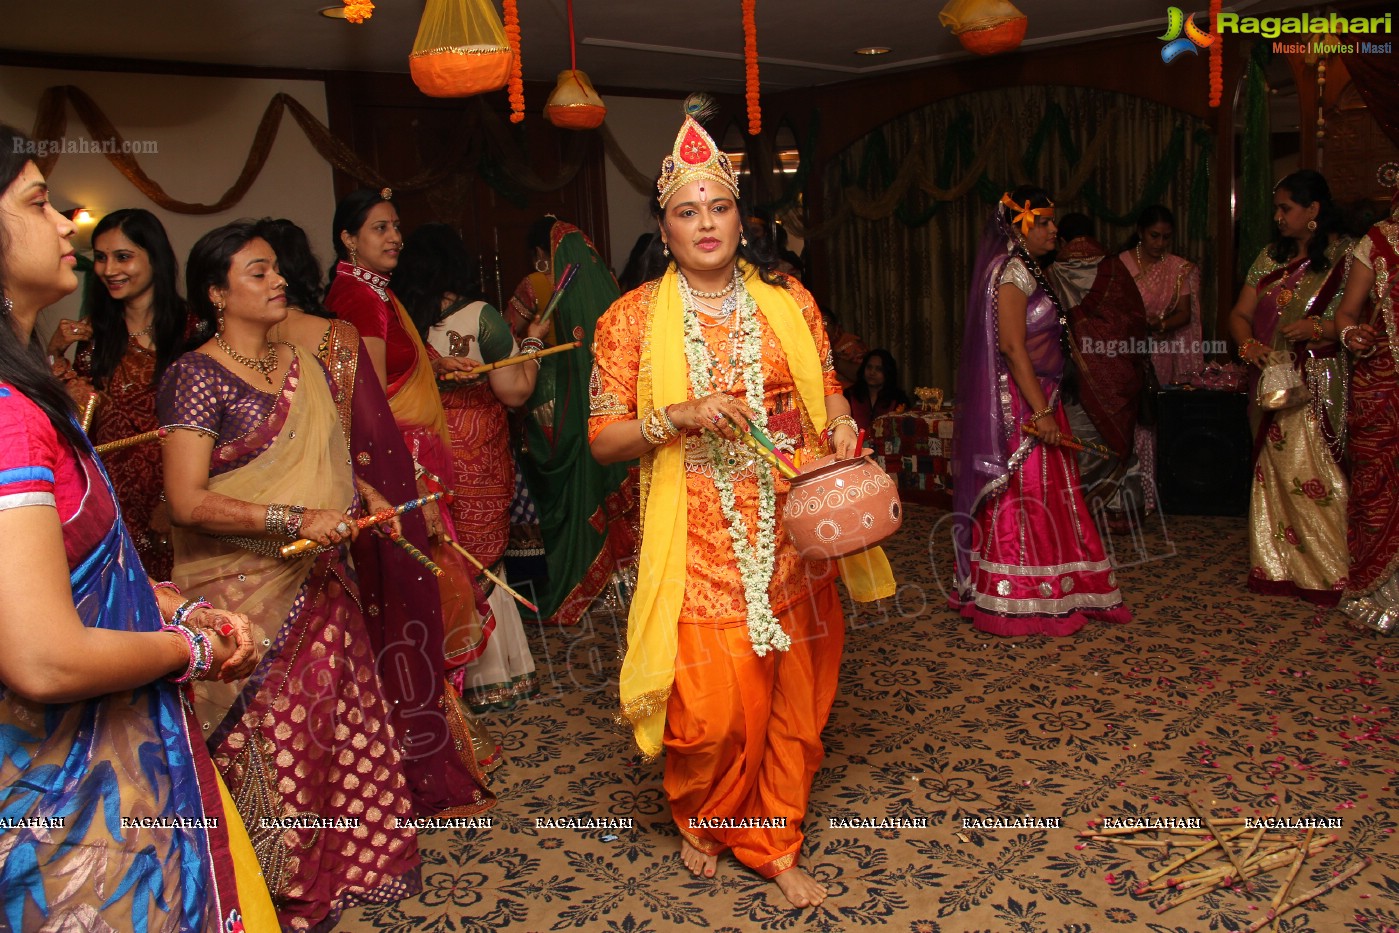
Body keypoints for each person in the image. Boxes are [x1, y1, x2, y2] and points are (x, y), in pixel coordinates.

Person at [589, 103, 893, 909]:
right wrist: (678, 416)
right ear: (664, 227)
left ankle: (771, 836)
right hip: (696, 542)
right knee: (712, 717)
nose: (706, 223)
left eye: (718, 206)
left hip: (795, 529)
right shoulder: (626, 322)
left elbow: (827, 389)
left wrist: (838, 424)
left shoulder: (788, 302)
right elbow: (603, 439)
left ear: (739, 215)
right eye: (687, 211)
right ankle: (705, 811)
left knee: (799, 702)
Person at [0, 125, 276, 932]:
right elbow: (44, 657)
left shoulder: (31, 389)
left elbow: (72, 569)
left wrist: (172, 606)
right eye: (38, 202)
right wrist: (192, 651)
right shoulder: (12, 417)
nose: (65, 228)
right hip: (69, 793)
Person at [159, 221, 421, 930]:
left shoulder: (302, 364)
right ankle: (271, 892)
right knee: (274, 744)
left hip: (323, 584)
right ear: (217, 293)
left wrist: (364, 498)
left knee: (334, 733)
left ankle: (338, 874)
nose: (277, 281)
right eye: (256, 272)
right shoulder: (193, 376)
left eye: (276, 269)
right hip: (246, 596)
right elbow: (185, 500)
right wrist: (293, 518)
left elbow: (331, 461)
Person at [256, 218, 496, 811]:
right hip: (335, 510)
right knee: (370, 631)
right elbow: (369, 426)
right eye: (380, 227)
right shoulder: (339, 326)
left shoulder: (355, 310)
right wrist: (401, 488)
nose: (395, 236)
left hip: (317, 513)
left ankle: (320, 789)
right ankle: (372, 772)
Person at [324, 189, 495, 674]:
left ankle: (442, 720)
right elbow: (370, 399)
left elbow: (391, 368)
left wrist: (436, 366)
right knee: (435, 585)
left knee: (432, 581)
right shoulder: (360, 296)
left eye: (396, 226)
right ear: (347, 238)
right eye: (380, 227)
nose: (395, 237)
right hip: (399, 456)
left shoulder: (374, 289)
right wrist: (413, 479)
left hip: (410, 451)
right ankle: (437, 721)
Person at [950, 187, 1130, 636]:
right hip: (1025, 404)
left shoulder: (1027, 269)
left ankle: (1055, 586)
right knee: (1026, 496)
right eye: (1046, 222)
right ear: (1020, 225)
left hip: (1041, 396)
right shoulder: (1012, 272)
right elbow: (1012, 347)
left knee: (1050, 494)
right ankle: (1018, 593)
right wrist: (1040, 412)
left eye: (1053, 222)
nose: (1055, 230)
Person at [396, 222, 544, 712]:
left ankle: (439, 673)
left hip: (421, 448)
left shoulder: (397, 318)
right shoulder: (480, 316)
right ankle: (490, 673)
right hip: (474, 444)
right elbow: (514, 391)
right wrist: (533, 348)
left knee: (441, 549)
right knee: (482, 551)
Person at [1227, 170, 1353, 605]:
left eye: (1287, 208)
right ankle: (1277, 566)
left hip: (1318, 380)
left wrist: (1320, 326)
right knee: (1273, 473)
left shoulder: (1346, 258)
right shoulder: (1269, 257)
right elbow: (1240, 313)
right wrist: (1248, 346)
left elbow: (1365, 319)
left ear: (1314, 210)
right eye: (1277, 209)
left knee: (1314, 472)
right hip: (1271, 380)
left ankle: (1330, 571)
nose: (1279, 217)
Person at [47, 208, 193, 579]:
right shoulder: (94, 336)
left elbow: (214, 424)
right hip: (112, 504)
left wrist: (171, 500)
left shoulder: (193, 330)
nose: (109, 269)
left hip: (180, 499)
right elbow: (77, 423)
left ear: (154, 257)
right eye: (100, 258)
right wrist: (54, 353)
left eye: (123, 256)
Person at [507, 215, 638, 627]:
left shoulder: (533, 284)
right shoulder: (605, 285)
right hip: (594, 396)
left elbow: (507, 335)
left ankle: (564, 583)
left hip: (550, 400)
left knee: (555, 492)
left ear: (540, 253)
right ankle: (615, 584)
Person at [1049, 211, 1149, 516]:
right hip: (1118, 370)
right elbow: (1135, 321)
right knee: (1114, 440)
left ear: (1062, 239)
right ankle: (1115, 512)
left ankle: (1071, 515)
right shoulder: (1115, 268)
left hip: (1077, 374)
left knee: (1080, 441)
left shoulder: (1054, 271)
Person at [1333, 188, 1399, 634]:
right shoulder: (1377, 242)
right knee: (1378, 488)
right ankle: (1381, 598)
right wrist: (1350, 334)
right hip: (1384, 384)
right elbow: (1347, 312)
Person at [1119, 205, 1203, 515]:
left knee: (1153, 419)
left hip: (1161, 353)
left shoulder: (1179, 268)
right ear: (1141, 231)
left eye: (1166, 238)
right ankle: (1124, 492)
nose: (1160, 243)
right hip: (1126, 352)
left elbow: (1184, 313)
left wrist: (1159, 325)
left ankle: (1152, 494)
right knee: (1128, 419)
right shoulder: (1121, 264)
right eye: (1154, 236)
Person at [843, 348, 910, 435]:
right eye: (869, 367)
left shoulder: (898, 398)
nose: (872, 372)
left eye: (878, 369)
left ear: (887, 373)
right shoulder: (849, 394)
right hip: (854, 446)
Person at [821, 309, 868, 387]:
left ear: (836, 326)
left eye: (826, 324)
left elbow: (864, 376)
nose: (823, 328)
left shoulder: (852, 343)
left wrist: (831, 357)